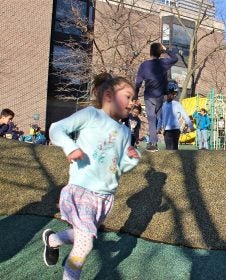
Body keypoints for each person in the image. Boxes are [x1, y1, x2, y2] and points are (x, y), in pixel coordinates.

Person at [44, 73, 140, 280]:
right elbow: (56, 128)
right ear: (108, 96)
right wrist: (70, 147)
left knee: (82, 235)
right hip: (82, 190)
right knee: (85, 245)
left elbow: (119, 166)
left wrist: (131, 159)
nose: (132, 103)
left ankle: (52, 240)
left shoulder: (124, 132)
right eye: (128, 97)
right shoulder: (91, 115)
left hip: (105, 197)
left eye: (133, 99)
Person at [134, 43, 178, 152]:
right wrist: (166, 49)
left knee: (151, 119)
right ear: (160, 52)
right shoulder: (163, 63)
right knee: (156, 118)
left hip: (149, 96)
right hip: (159, 96)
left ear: (150, 52)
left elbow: (138, 82)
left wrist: (135, 96)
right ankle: (155, 137)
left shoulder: (144, 65)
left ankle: (153, 143)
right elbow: (175, 58)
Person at [157, 81, 194, 150]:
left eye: (175, 94)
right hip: (167, 131)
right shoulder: (164, 105)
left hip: (175, 130)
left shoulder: (177, 104)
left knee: (174, 149)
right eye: (173, 94)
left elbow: (185, 115)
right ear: (168, 93)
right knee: (168, 148)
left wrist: (191, 126)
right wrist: (159, 127)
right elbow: (161, 118)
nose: (174, 96)